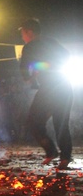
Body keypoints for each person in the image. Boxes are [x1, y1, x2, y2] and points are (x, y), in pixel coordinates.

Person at [18, 18, 73, 169]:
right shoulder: (52, 42)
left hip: (50, 88)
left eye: (23, 33)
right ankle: (62, 156)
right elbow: (67, 56)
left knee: (34, 122)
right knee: (60, 123)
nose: (22, 36)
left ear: (29, 32)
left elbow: (24, 69)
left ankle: (53, 152)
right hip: (64, 86)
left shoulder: (29, 47)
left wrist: (31, 75)